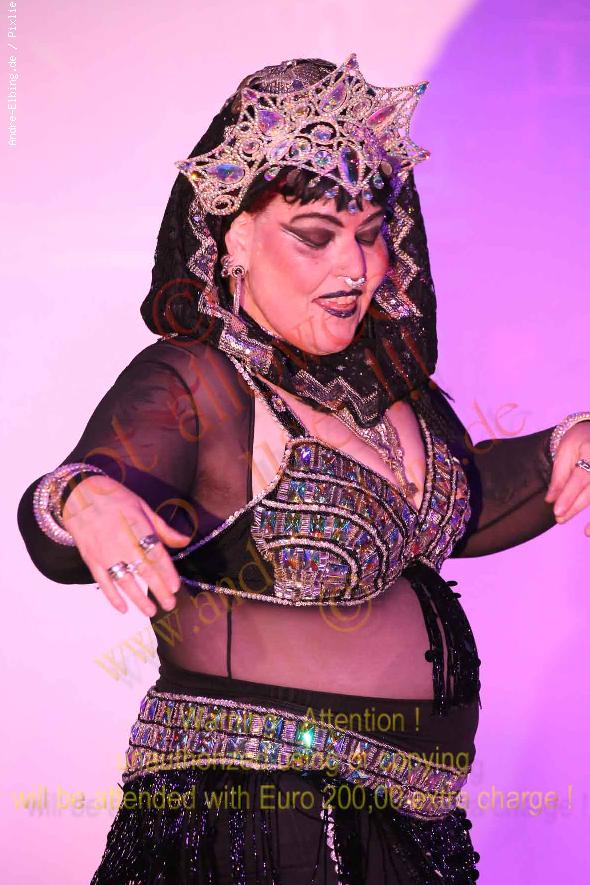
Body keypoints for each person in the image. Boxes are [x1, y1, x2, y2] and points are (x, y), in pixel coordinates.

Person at [17, 54, 590, 884]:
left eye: (370, 234)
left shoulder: (393, 396)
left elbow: (464, 507)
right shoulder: (200, 381)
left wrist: (560, 447)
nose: (354, 269)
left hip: (412, 830)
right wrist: (82, 499)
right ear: (237, 237)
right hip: (258, 822)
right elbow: (81, 494)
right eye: (315, 236)